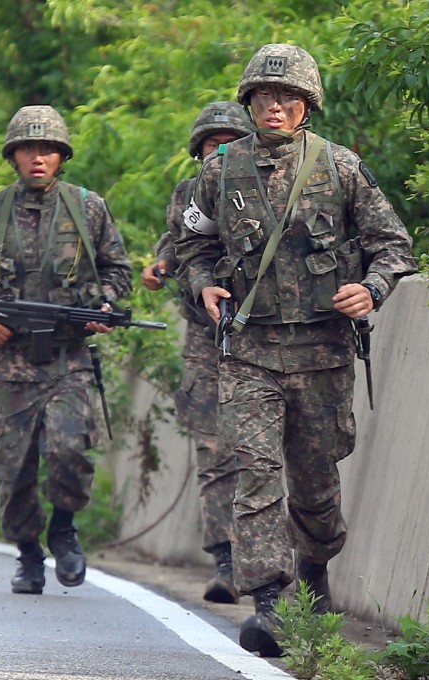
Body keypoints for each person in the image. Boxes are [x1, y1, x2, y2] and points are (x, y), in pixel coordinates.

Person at [175, 44, 418, 656]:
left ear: (307, 105)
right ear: (248, 102)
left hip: (322, 352)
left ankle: (314, 567)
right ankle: (271, 602)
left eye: (287, 98)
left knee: (315, 486)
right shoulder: (218, 171)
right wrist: (203, 284)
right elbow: (191, 247)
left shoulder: (340, 168)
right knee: (255, 474)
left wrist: (371, 288)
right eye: (263, 97)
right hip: (249, 349)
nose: (275, 107)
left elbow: (394, 245)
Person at [0, 105, 133, 595]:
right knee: (12, 468)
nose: (37, 158)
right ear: (13, 156)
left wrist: (102, 307)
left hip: (69, 360)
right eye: (28, 149)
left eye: (47, 149)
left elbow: (119, 274)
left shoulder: (89, 209)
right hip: (8, 367)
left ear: (61, 156)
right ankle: (27, 555)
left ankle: (63, 527)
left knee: (68, 447)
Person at [141, 101, 254, 604]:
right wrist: (160, 265)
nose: (222, 153)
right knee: (213, 451)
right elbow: (178, 241)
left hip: (263, 338)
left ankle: (277, 565)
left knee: (265, 455)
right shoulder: (190, 196)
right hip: (205, 341)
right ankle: (226, 561)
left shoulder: (269, 188)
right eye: (213, 145)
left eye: (231, 143)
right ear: (198, 152)